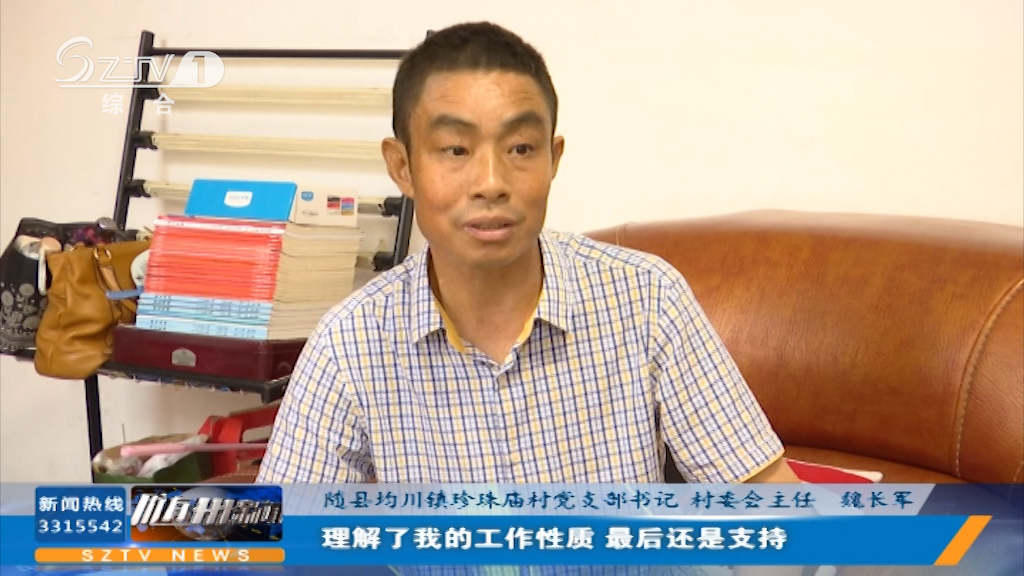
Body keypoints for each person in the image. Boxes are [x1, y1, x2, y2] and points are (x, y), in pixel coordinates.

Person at [255, 21, 800, 487]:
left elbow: (772, 512)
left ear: (553, 159)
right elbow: (278, 539)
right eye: (456, 149)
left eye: (520, 148)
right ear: (403, 167)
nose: (491, 182)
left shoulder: (648, 298)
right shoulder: (350, 340)